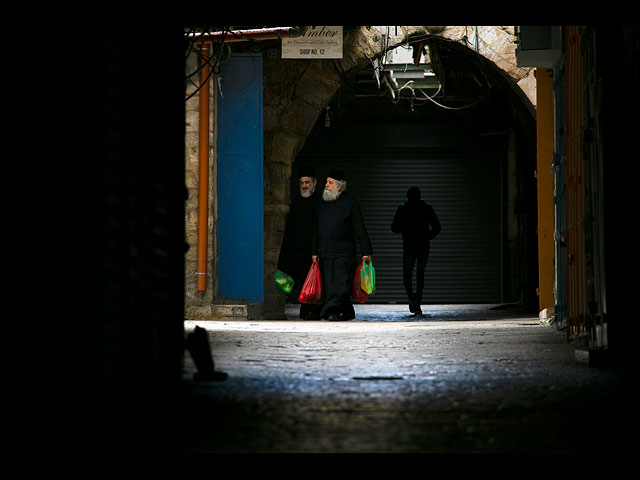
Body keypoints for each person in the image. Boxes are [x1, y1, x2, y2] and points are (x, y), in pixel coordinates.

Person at [312, 169, 372, 321]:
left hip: (344, 254)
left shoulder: (350, 203)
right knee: (330, 286)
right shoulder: (322, 204)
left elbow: (360, 228)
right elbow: (316, 229)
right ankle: (347, 311)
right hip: (325, 252)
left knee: (340, 287)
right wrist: (314, 252)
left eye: (330, 183)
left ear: (339, 186)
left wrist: (366, 251)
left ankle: (329, 312)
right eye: (326, 182)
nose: (326, 185)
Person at [277, 166, 322, 320]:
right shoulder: (296, 202)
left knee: (315, 283)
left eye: (307, 182)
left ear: (315, 183)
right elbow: (290, 228)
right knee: (303, 283)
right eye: (302, 182)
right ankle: (306, 310)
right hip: (298, 252)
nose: (304, 185)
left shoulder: (321, 202)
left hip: (315, 252)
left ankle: (313, 311)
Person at [391, 186, 441, 315]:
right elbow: (437, 226)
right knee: (418, 274)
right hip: (421, 245)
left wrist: (406, 229)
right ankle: (416, 300)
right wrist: (427, 236)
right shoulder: (425, 208)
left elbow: (394, 227)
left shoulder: (404, 209)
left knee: (409, 274)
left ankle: (414, 299)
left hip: (410, 245)